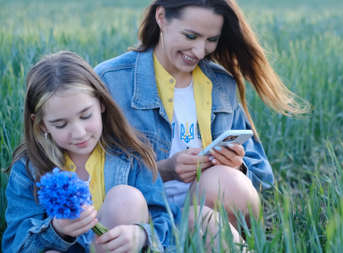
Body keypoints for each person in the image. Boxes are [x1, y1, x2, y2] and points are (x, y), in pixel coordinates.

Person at [95, 0, 304, 237]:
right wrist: (164, 170)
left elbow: (261, 172)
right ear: (161, 18)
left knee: (227, 185)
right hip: (141, 214)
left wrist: (238, 167)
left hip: (205, 212)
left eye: (211, 40)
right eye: (191, 36)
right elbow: (88, 164)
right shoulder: (112, 80)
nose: (199, 51)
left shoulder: (221, 84)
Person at [2, 51, 176, 252]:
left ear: (101, 103)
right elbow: (15, 245)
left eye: (85, 116)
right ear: (41, 125)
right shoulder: (28, 169)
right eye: (60, 124)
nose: (78, 133)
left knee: (126, 198)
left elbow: (166, 223)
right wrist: (57, 230)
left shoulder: (131, 157)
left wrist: (142, 235)